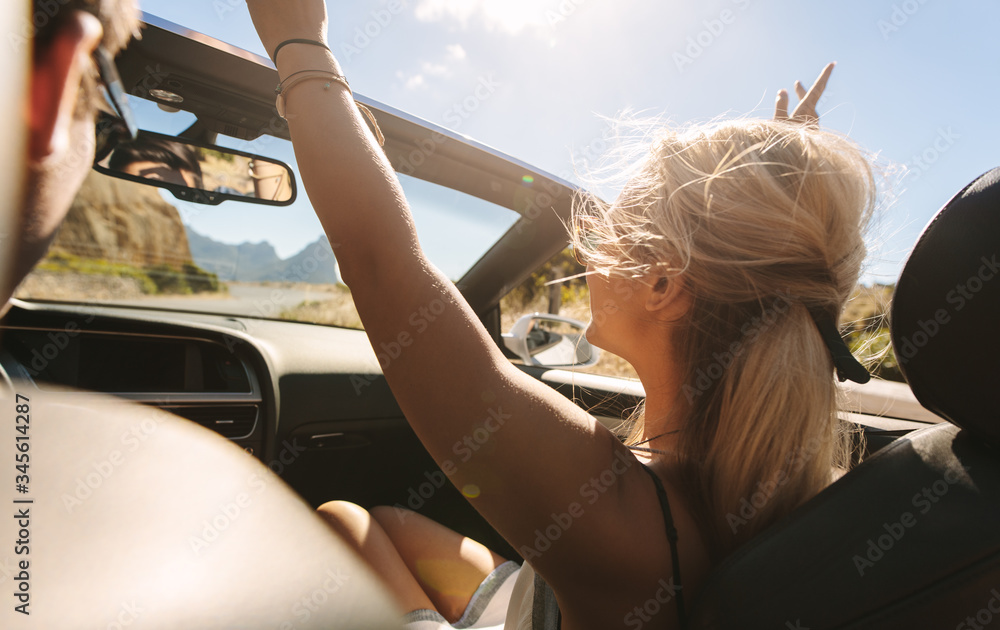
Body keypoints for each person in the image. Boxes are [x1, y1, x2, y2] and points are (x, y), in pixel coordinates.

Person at [245, 3, 874, 629]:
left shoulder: (625, 523)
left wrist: (298, 40)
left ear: (660, 282)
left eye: (617, 220)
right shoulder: (768, 487)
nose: (589, 244)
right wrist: (782, 202)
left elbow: (382, 264)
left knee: (343, 521)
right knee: (387, 524)